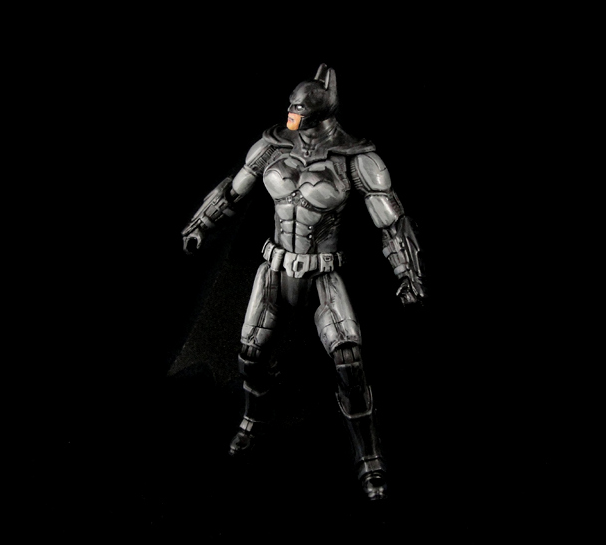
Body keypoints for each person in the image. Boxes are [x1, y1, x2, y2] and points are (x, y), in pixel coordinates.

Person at [181, 64, 425, 500]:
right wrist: (201, 224)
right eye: (291, 107)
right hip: (275, 266)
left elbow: (390, 220)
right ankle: (253, 417)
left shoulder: (356, 159)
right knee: (249, 353)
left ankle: (368, 453)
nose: (291, 114)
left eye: (299, 110)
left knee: (348, 359)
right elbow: (235, 189)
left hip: (322, 271)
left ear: (320, 114)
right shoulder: (273, 147)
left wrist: (407, 274)